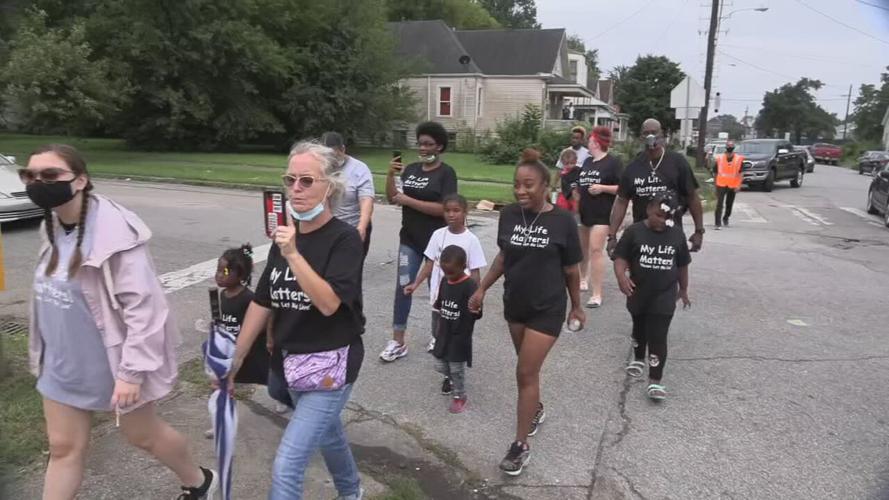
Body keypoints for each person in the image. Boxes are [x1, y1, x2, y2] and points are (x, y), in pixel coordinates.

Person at [22, 144, 217, 499]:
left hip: (114, 365)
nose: (38, 182)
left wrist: (131, 372)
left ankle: (199, 481)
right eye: (30, 175)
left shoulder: (114, 235)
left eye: (50, 175)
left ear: (80, 180)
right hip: (62, 364)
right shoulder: (51, 225)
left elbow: (145, 309)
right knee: (64, 448)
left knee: (141, 435)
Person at [227, 141, 365, 500]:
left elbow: (329, 303)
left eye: (307, 180)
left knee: (287, 463)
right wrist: (238, 357)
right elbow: (263, 300)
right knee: (330, 434)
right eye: (290, 180)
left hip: (331, 366)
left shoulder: (345, 240)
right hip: (290, 362)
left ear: (330, 187)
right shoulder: (284, 239)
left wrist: (293, 254)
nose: (295, 189)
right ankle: (352, 493)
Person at [468, 149, 585, 477]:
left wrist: (576, 305)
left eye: (528, 184)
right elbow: (504, 257)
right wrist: (482, 289)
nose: (520, 190)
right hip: (515, 305)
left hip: (547, 308)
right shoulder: (508, 215)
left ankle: (520, 447)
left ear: (546, 185)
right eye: (516, 184)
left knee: (524, 372)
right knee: (527, 371)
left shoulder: (562, 221)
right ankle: (535, 408)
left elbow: (572, 271)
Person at [380, 121, 458, 363]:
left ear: (440, 147)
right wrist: (391, 174)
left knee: (438, 291)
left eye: (429, 144)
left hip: (437, 244)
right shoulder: (411, 169)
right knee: (403, 287)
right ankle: (398, 341)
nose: (423, 148)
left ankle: (437, 335)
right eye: (421, 143)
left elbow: (444, 210)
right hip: (410, 240)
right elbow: (393, 197)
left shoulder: (446, 173)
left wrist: (409, 201)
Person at [613, 194, 691, 401]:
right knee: (639, 325)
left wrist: (683, 290)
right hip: (638, 291)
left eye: (667, 217)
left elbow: (682, 265)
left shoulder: (676, 235)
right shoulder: (634, 232)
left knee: (658, 335)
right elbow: (620, 257)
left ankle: (655, 380)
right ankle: (639, 358)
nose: (662, 220)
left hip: (665, 294)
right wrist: (621, 277)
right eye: (658, 215)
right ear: (648, 209)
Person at [607, 118, 705, 257]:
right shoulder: (633, 167)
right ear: (641, 137)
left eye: (654, 132)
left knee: (670, 276)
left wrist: (699, 231)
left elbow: (692, 196)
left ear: (662, 134)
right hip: (642, 236)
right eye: (646, 133)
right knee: (640, 276)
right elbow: (622, 201)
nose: (650, 137)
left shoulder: (677, 162)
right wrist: (612, 235)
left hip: (671, 235)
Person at [403, 193, 486, 353]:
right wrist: (415, 284)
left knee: (456, 327)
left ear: (465, 212)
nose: (452, 214)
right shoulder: (438, 235)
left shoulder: (471, 240)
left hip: (460, 293)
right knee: (438, 325)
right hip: (440, 292)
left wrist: (476, 296)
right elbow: (430, 263)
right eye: (447, 210)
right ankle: (438, 340)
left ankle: (454, 357)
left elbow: (475, 271)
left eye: (456, 210)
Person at [205, 244, 269, 438]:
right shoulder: (222, 296)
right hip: (229, 354)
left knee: (272, 382)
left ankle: (283, 398)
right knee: (219, 388)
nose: (218, 275)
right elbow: (224, 320)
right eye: (217, 270)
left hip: (252, 354)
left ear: (240, 275)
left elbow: (260, 321)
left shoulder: (249, 298)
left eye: (224, 271)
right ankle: (220, 424)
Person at [430, 245, 482, 414]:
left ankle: (460, 396)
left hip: (460, 336)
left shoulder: (470, 286)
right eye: (445, 272)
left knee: (456, 369)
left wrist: (476, 309)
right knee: (439, 364)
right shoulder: (445, 281)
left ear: (463, 266)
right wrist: (437, 327)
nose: (448, 276)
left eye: (452, 272)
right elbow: (440, 305)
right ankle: (451, 379)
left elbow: (477, 312)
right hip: (444, 333)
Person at [577, 126, 622, 307]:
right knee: (583, 248)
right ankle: (582, 277)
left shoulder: (613, 163)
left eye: (590, 140)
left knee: (596, 249)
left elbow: (622, 188)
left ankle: (597, 294)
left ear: (596, 142)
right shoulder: (587, 162)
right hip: (584, 211)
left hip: (602, 214)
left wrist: (602, 188)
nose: (588, 142)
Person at [320, 132, 375, 255]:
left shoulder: (359, 169)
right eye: (327, 156)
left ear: (343, 149)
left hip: (353, 227)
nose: (332, 160)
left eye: (335, 155)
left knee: (350, 269)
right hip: (326, 226)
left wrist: (361, 227)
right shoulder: (320, 167)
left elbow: (366, 200)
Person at [713, 140, 744, 230]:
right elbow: (715, 172)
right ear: (726, 148)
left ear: (733, 148)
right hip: (721, 184)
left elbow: (741, 173)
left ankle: (726, 217)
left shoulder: (738, 159)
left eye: (731, 146)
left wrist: (739, 185)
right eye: (728, 146)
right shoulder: (720, 159)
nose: (730, 148)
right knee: (719, 204)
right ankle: (717, 223)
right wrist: (715, 186)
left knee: (729, 204)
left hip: (732, 185)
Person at [552, 148, 581, 214]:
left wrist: (576, 190)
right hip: (565, 193)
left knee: (576, 209)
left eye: (572, 163)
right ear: (562, 163)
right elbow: (563, 184)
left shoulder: (578, 170)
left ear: (576, 161)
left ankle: (576, 219)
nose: (569, 166)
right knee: (561, 207)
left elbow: (579, 181)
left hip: (575, 194)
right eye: (566, 164)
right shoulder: (563, 172)